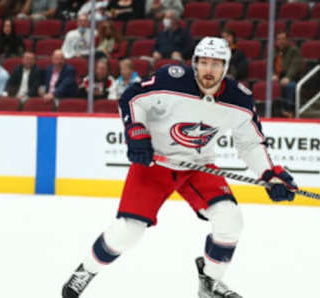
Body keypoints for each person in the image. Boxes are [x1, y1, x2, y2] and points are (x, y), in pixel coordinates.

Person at [62, 37, 298, 298]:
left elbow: (251, 143)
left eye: (216, 64)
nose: (209, 70)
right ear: (194, 63)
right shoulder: (171, 80)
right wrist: (137, 132)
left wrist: (269, 174)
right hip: (156, 162)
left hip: (199, 167)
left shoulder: (239, 100)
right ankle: (86, 270)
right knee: (129, 231)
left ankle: (210, 281)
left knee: (230, 219)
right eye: (204, 63)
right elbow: (132, 98)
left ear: (226, 67)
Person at [272, 31, 303, 118]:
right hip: (277, 77)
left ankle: (288, 110)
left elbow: (295, 65)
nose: (281, 41)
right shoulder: (274, 51)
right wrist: (273, 75)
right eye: (278, 39)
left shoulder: (293, 50)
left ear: (287, 40)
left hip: (290, 77)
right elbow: (269, 65)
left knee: (289, 85)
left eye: (283, 39)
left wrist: (288, 77)